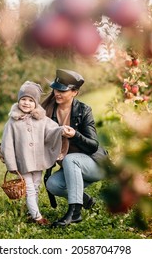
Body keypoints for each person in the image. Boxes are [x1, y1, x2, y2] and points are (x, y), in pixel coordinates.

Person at [41, 69, 108, 227]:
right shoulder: (48, 112)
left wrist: (75, 135)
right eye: (56, 89)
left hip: (93, 165)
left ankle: (75, 213)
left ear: (74, 92)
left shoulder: (84, 111)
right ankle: (86, 200)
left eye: (62, 90)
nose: (57, 93)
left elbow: (93, 145)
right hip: (70, 168)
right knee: (53, 184)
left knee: (71, 160)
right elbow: (30, 132)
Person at [0, 81, 64, 226]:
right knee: (29, 188)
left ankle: (30, 212)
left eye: (31, 100)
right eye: (23, 99)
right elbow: (7, 144)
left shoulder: (41, 119)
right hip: (23, 162)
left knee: (35, 187)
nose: (27, 103)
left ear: (36, 103)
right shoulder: (13, 121)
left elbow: (52, 130)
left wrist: (61, 130)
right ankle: (37, 217)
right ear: (18, 100)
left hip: (38, 161)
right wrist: (11, 164)